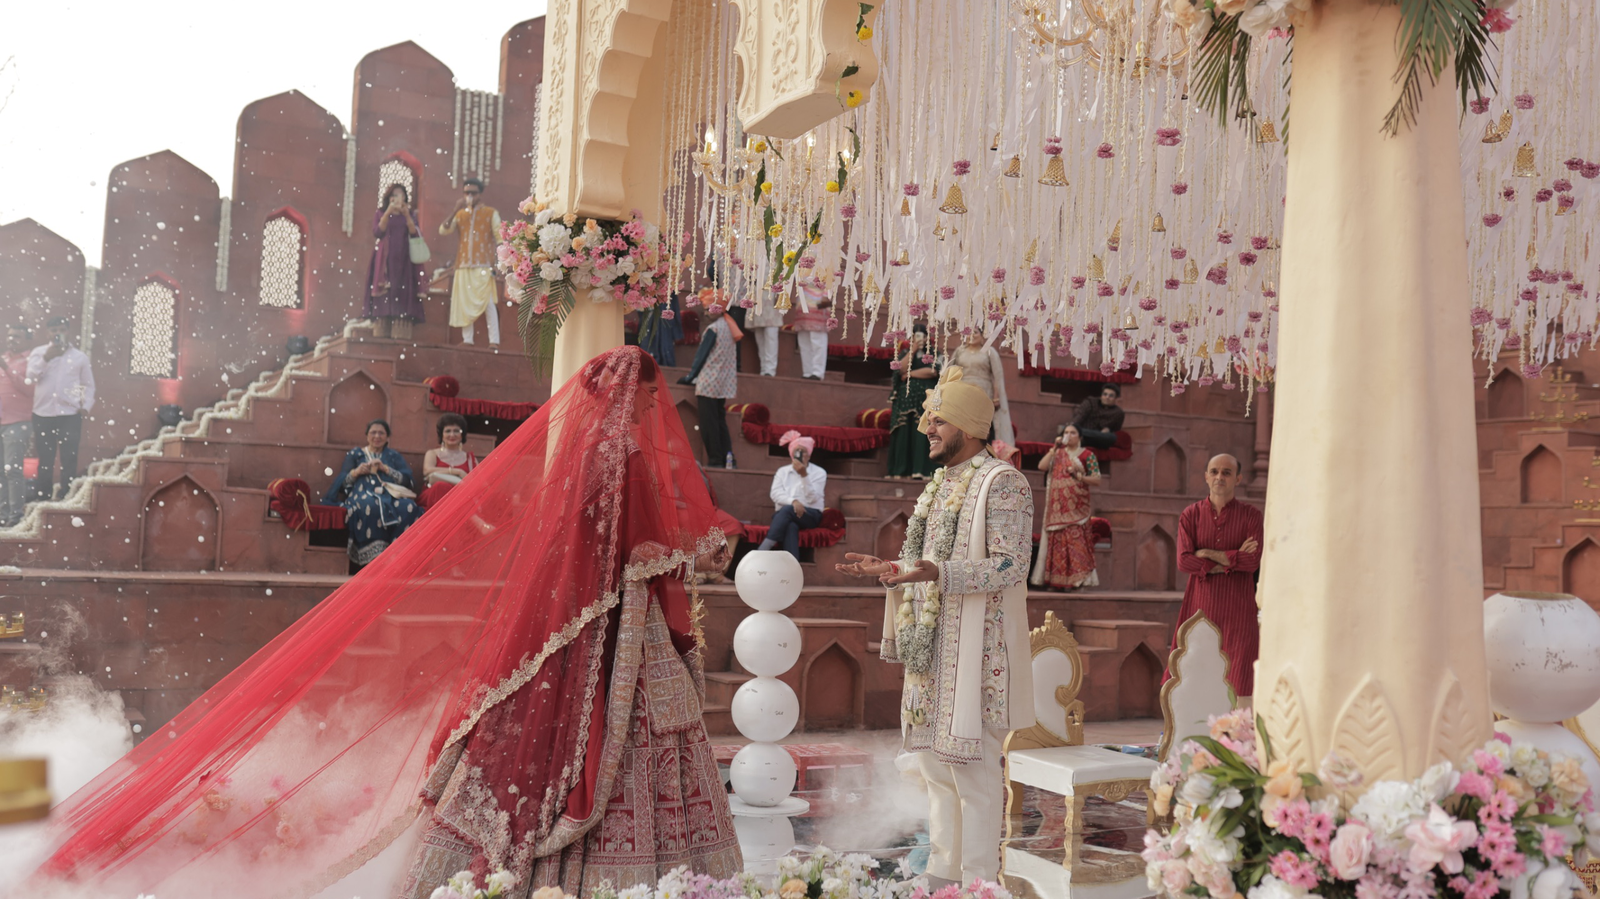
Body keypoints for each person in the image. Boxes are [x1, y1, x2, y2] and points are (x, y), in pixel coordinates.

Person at [23, 347, 740, 897]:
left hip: (596, 617)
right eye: (651, 395)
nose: (656, 405)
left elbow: (595, 543)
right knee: (627, 738)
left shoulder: (588, 451)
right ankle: (634, 866)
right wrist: (688, 564)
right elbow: (637, 547)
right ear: (631, 394)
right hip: (617, 618)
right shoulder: (623, 453)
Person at [834, 367, 1035, 884]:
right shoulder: (939, 485)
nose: (927, 429)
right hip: (933, 652)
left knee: (974, 774)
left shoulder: (1003, 483)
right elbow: (926, 565)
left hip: (978, 655)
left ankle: (979, 884)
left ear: (967, 426)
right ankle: (944, 880)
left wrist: (939, 573)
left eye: (938, 421)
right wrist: (891, 569)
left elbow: (1012, 565)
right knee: (935, 771)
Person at [1172, 453, 1264, 701]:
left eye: (1226, 472)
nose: (1219, 477)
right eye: (1214, 471)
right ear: (1206, 477)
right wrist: (1232, 559)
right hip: (1201, 606)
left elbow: (1252, 561)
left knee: (1239, 675)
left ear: (1238, 479)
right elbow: (1184, 561)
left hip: (1239, 609)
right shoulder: (1190, 515)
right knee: (1194, 671)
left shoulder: (1251, 516)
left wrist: (1206, 554)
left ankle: (1237, 727)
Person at [323, 418, 420, 566]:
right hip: (362, 494)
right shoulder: (356, 454)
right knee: (370, 506)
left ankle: (398, 555)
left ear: (387, 437)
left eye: (381, 433)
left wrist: (386, 469)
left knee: (408, 506)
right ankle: (375, 558)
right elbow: (342, 483)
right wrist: (356, 472)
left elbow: (408, 481)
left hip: (390, 495)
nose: (377, 436)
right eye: (373, 433)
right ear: (367, 435)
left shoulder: (393, 456)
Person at [26, 316, 94, 501]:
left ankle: (66, 497)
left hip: (70, 414)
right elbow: (30, 378)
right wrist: (46, 359)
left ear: (68, 332)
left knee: (69, 458)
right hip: (43, 414)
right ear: (47, 333)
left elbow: (87, 384)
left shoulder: (79, 357)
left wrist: (85, 406)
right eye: (53, 330)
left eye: (62, 329)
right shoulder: (39, 353)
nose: (57, 333)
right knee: (45, 459)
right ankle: (42, 498)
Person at [1031, 424, 1102, 590]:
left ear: (1080, 437)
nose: (1069, 435)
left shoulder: (1088, 455)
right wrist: (1054, 448)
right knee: (1057, 544)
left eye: (1073, 433)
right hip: (1057, 508)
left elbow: (1097, 479)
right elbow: (1041, 466)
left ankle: (1079, 582)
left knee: (1077, 543)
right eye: (1066, 433)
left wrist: (1079, 476)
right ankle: (1058, 583)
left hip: (1077, 508)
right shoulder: (1057, 453)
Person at [678, 299, 743, 468]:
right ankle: (728, 459)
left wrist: (690, 377)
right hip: (723, 384)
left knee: (709, 424)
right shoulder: (729, 326)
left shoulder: (714, 329)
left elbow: (701, 357)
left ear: (719, 309)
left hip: (708, 383)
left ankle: (715, 460)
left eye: (709, 309)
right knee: (720, 422)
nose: (706, 313)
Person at [438, 177, 502, 346]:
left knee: (488, 303)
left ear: (480, 194)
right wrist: (455, 210)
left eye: (473, 193)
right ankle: (467, 340)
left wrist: (500, 262)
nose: (470, 196)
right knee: (464, 303)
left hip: (484, 265)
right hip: (463, 265)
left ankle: (494, 341)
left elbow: (500, 237)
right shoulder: (459, 214)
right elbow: (443, 230)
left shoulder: (491, 213)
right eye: (466, 193)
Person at [366, 183, 427, 339]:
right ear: (389, 198)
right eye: (394, 195)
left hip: (405, 259)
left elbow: (414, 233)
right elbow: (377, 232)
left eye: (400, 195)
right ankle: (382, 326)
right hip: (385, 260)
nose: (397, 198)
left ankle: (400, 328)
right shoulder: (381, 212)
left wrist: (406, 215)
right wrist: (388, 212)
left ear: (405, 197)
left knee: (402, 290)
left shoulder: (410, 214)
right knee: (385, 292)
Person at [759, 430, 827, 559]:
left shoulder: (819, 472)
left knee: (787, 510)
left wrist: (804, 475)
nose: (800, 455)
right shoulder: (782, 471)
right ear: (791, 454)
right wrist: (793, 502)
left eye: (803, 451)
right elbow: (775, 494)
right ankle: (793, 564)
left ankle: (762, 550)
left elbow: (812, 498)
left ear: (809, 455)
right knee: (790, 525)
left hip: (810, 514)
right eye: (797, 451)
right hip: (786, 514)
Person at [887, 324, 938, 479]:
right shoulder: (905, 353)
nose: (920, 339)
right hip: (905, 401)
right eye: (916, 336)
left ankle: (920, 469)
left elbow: (932, 371)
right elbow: (900, 369)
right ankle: (901, 470)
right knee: (904, 431)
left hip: (925, 399)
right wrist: (913, 350)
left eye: (922, 336)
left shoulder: (934, 354)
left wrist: (910, 374)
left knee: (922, 432)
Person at [950, 331, 1015, 445]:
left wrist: (996, 397)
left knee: (982, 426)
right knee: (962, 425)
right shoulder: (959, 351)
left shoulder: (989, 351)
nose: (972, 335)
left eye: (975, 332)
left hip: (984, 394)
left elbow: (997, 376)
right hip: (963, 394)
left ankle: (982, 449)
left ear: (982, 336)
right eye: (969, 332)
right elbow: (950, 372)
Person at [0, 324, 36, 524]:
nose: (11, 339)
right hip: (1, 421)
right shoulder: (3, 358)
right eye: (10, 336)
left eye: (17, 336)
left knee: (12, 470)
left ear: (27, 340)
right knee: (0, 471)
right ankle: (2, 516)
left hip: (17, 422)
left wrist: (6, 369)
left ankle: (15, 516)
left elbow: (29, 389)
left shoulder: (31, 360)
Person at [419, 413, 477, 509]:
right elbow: (427, 470)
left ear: (462, 435)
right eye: (448, 431)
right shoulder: (433, 453)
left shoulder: (470, 459)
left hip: (460, 500)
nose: (452, 435)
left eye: (456, 431)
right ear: (442, 435)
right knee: (440, 487)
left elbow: (477, 482)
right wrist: (458, 472)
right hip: (434, 497)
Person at [793, 276, 832, 379]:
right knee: (804, 341)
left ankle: (817, 372)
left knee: (817, 340)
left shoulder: (826, 264)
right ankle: (807, 372)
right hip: (802, 304)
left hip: (818, 303)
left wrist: (826, 295)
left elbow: (830, 277)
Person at [1071, 382, 1125, 450]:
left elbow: (1116, 430)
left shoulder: (1118, 413)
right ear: (1101, 395)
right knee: (1075, 430)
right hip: (1084, 436)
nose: (1107, 397)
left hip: (1100, 440)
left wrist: (1109, 430)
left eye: (1111, 396)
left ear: (1115, 399)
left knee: (1112, 437)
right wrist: (1073, 428)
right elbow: (1079, 417)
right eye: (1105, 394)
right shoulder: (1090, 402)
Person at [746, 291, 787, 376]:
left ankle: (770, 370)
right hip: (757, 298)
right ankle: (764, 369)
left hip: (772, 298)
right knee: (759, 337)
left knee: (771, 335)